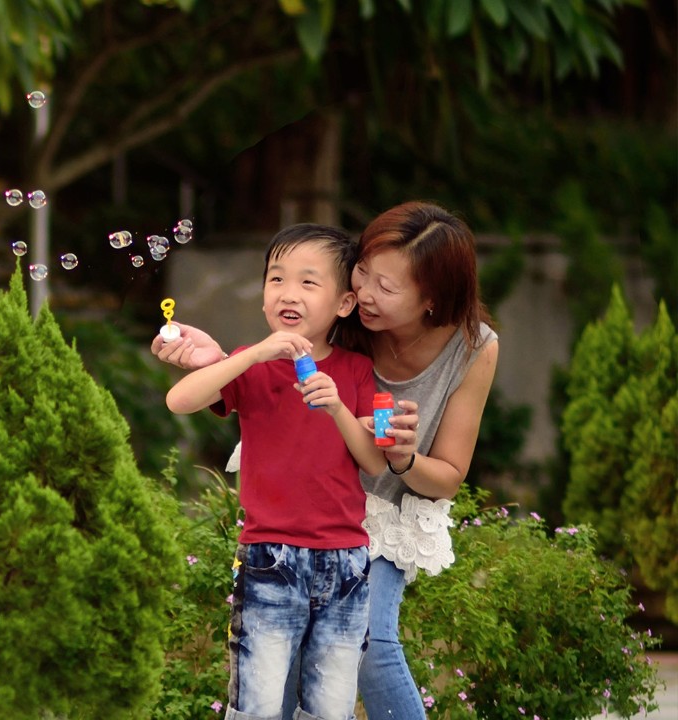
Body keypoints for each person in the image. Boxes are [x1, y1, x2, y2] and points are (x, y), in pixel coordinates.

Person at [154, 201, 499, 720]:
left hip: (376, 513)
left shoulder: (467, 349)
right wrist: (223, 358)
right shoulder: (342, 323)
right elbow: (253, 366)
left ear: (430, 300)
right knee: (276, 675)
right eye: (364, 273)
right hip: (294, 512)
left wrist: (400, 456)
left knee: (372, 648)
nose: (364, 293)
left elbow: (430, 473)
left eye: (386, 287)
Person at [166, 223, 389, 720]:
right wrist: (255, 354)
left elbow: (376, 462)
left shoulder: (357, 371)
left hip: (346, 565)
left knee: (331, 707)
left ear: (344, 303)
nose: (289, 293)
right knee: (258, 703)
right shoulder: (253, 363)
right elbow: (179, 399)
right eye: (276, 279)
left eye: (309, 282)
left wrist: (338, 410)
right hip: (270, 559)